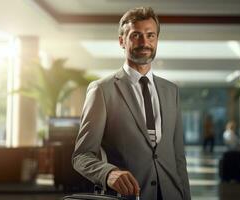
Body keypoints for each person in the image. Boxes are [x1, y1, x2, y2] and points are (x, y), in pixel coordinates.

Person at [72, 7, 190, 200]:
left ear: (157, 40)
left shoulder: (171, 91)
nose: (145, 42)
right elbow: (82, 156)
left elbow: (178, 158)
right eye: (136, 35)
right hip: (127, 196)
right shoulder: (102, 90)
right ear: (121, 41)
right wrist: (108, 174)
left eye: (150, 35)